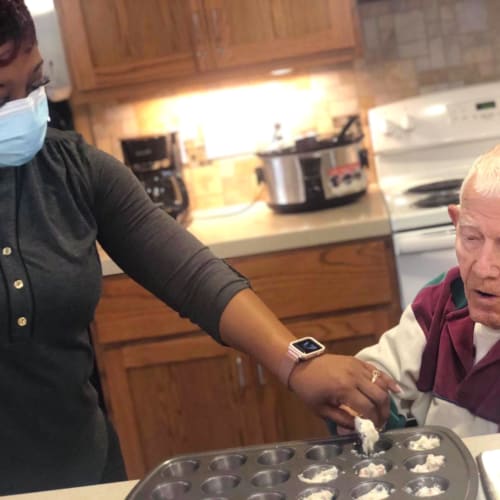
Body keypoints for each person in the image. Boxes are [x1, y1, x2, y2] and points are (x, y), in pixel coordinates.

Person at [0, 0, 399, 494]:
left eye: (33, 85)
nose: (22, 111)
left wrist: (298, 362)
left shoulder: (72, 170)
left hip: (86, 477)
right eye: (1, 96)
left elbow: (192, 275)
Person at [330, 146, 500, 439]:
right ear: (455, 223)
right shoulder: (441, 303)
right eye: (471, 237)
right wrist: (359, 405)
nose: (483, 268)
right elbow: (374, 377)